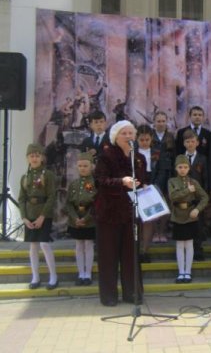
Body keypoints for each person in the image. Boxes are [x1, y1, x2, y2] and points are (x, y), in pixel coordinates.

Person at [94, 120, 146, 306]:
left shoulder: (139, 158)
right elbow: (100, 181)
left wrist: (144, 187)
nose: (129, 136)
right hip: (109, 213)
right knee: (109, 256)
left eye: (131, 133)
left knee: (130, 255)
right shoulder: (106, 156)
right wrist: (121, 181)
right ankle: (109, 296)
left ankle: (132, 293)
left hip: (131, 213)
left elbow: (142, 180)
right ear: (116, 137)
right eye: (124, 133)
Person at [18, 143, 58, 290]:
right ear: (27, 158)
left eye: (37, 156)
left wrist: (43, 216)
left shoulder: (47, 175)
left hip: (44, 214)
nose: (34, 158)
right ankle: (35, 276)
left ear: (42, 157)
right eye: (31, 156)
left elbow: (52, 196)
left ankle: (53, 276)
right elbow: (21, 198)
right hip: (29, 215)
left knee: (44, 244)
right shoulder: (25, 177)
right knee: (33, 246)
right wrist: (24, 217)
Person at [168, 155, 209, 283]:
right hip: (178, 216)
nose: (183, 169)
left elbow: (204, 197)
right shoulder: (172, 181)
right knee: (180, 244)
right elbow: (173, 196)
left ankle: (188, 271)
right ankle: (181, 272)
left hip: (190, 216)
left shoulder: (194, 182)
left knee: (189, 244)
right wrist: (187, 190)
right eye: (180, 167)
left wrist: (197, 209)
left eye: (185, 167)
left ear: (189, 168)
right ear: (176, 168)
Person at [137, 125, 171, 252]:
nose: (144, 142)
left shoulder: (158, 151)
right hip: (137, 185)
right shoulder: (133, 152)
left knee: (149, 219)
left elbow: (162, 171)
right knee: (138, 220)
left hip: (153, 185)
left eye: (147, 140)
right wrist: (139, 185)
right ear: (136, 139)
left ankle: (145, 249)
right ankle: (136, 249)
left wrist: (154, 187)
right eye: (141, 140)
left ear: (151, 138)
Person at [65, 152, 96, 285]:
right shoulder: (74, 184)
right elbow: (68, 203)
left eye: (85, 165)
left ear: (92, 166)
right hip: (75, 219)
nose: (83, 168)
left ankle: (88, 274)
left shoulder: (95, 183)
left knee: (88, 245)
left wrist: (87, 218)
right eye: (80, 166)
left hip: (90, 219)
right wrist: (75, 217)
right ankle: (80, 273)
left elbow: (96, 203)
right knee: (78, 245)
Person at [181, 129, 209, 261]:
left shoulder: (203, 159)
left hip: (198, 197)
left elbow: (206, 177)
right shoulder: (180, 158)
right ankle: (186, 249)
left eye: (193, 141)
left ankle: (198, 248)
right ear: (184, 143)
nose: (190, 144)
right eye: (187, 141)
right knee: (185, 222)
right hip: (184, 196)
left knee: (199, 223)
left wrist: (204, 194)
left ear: (197, 143)